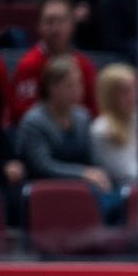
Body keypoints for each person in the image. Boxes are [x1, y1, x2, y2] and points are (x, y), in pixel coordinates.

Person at [15, 55, 114, 209]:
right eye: (69, 85)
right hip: (43, 192)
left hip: (80, 188)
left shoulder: (82, 116)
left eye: (79, 83)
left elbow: (92, 159)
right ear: (51, 87)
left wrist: (98, 173)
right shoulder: (34, 121)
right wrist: (82, 174)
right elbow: (42, 166)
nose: (77, 90)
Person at [10, 0, 98, 123]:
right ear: (39, 26)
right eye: (50, 21)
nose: (56, 29)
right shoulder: (29, 65)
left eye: (62, 21)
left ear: (72, 25)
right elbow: (21, 114)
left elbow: (95, 111)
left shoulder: (84, 65)